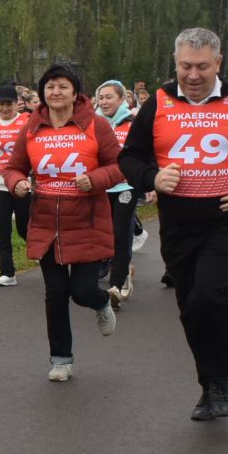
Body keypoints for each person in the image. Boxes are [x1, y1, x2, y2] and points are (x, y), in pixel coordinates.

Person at [118, 27, 228, 419]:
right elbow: (130, 157)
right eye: (185, 66)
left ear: (219, 64)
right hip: (177, 222)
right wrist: (152, 179)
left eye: (202, 67)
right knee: (190, 307)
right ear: (175, 63)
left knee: (209, 295)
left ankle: (220, 381)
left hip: (225, 218)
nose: (193, 75)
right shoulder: (158, 102)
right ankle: (209, 385)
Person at [2, 63, 124, 382]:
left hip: (87, 221)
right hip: (46, 222)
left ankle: (101, 302)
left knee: (82, 291)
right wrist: (17, 183)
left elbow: (119, 165)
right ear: (42, 92)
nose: (55, 92)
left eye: (62, 86)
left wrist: (96, 178)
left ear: (75, 93)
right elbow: (12, 167)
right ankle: (61, 359)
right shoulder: (30, 128)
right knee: (55, 292)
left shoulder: (95, 125)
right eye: (50, 87)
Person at [0, 83, 32, 286]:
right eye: (0, 104)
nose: (4, 108)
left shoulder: (26, 121)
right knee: (1, 229)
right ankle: (7, 273)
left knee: (24, 227)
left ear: (16, 103)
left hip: (20, 182)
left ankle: (47, 259)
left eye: (8, 104)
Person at [93, 79, 140, 303]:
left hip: (126, 186)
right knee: (104, 234)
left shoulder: (133, 123)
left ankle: (116, 285)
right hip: (101, 186)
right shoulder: (93, 124)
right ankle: (123, 269)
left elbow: (144, 153)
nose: (104, 101)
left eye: (109, 97)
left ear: (122, 99)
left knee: (121, 233)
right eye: (101, 97)